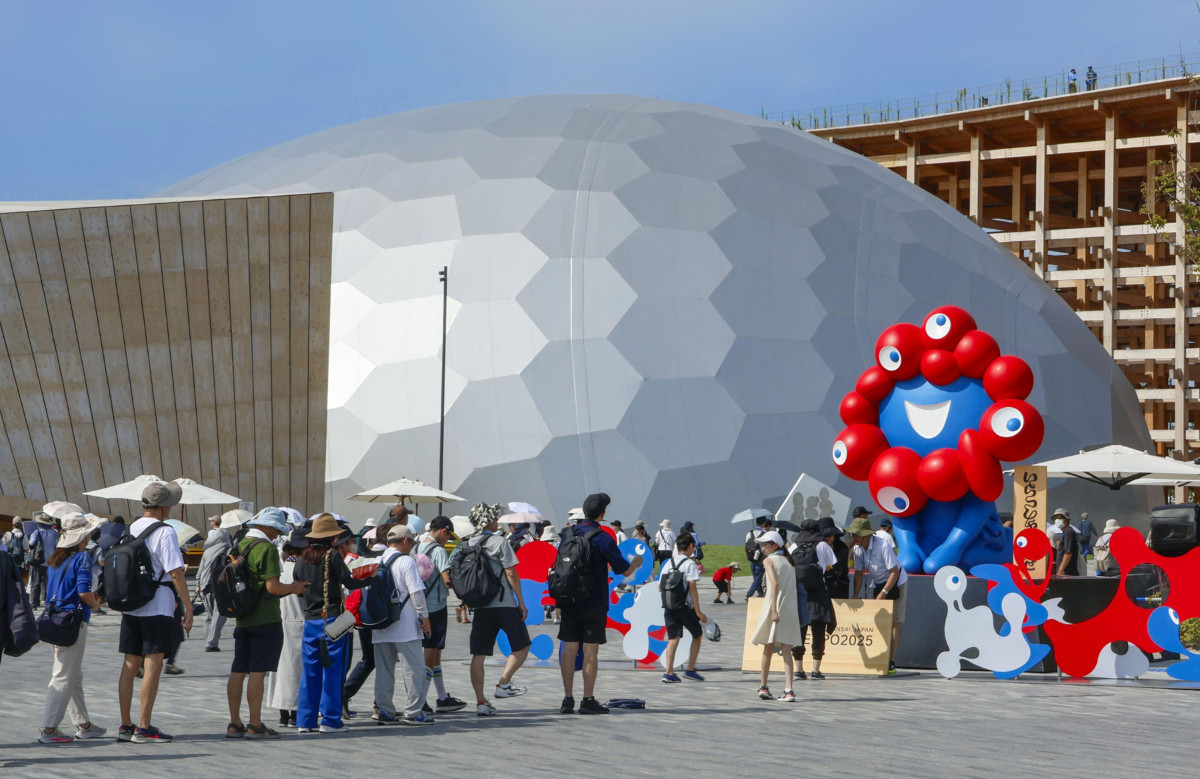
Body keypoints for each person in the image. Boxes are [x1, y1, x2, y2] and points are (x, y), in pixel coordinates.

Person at [117, 482, 193, 744]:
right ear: (163, 507)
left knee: (130, 664)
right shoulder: (165, 532)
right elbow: (176, 572)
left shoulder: (132, 528)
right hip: (158, 604)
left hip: (132, 603)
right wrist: (188, 606)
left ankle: (126, 725)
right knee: (153, 663)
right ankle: (144, 727)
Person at [225, 508, 308, 739]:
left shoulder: (239, 545)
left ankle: (234, 723)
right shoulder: (267, 549)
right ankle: (255, 724)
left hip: (243, 617)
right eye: (277, 530)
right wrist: (294, 587)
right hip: (265, 618)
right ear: (269, 527)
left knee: (238, 670)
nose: (276, 535)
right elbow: (272, 587)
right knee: (257, 673)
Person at [556, 493, 641, 714]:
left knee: (569, 649)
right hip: (593, 601)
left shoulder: (567, 534)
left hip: (568, 599)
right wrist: (637, 563)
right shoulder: (603, 537)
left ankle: (567, 699)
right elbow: (623, 569)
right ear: (603, 514)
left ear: (583, 511)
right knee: (590, 651)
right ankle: (587, 699)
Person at [293, 514, 369, 734]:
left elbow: (299, 587)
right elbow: (350, 581)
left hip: (310, 620)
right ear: (331, 538)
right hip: (334, 618)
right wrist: (371, 577)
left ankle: (305, 721)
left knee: (310, 672)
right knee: (333, 670)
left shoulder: (301, 559)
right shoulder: (331, 557)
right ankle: (330, 720)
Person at [38, 513, 106, 744]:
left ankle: (84, 724)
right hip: (73, 621)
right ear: (82, 536)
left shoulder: (56, 558)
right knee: (64, 676)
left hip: (55, 619)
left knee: (72, 674)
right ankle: (48, 729)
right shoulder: (82, 558)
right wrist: (95, 604)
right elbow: (84, 592)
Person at [464, 503, 531, 716]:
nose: (497, 521)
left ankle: (481, 703)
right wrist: (520, 601)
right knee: (522, 646)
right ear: (487, 521)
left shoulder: (468, 543)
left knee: (479, 654)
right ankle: (503, 684)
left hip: (481, 605)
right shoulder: (500, 542)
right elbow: (511, 573)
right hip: (503, 603)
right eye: (494, 518)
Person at [371, 525, 435, 725]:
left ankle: (385, 711)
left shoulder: (377, 559)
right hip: (406, 625)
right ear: (405, 541)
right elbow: (416, 591)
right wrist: (424, 616)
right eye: (412, 542)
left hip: (380, 623)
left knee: (383, 670)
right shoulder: (406, 561)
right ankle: (414, 711)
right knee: (414, 669)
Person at [416, 516, 467, 715]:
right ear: (444, 531)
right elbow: (447, 579)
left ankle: (442, 697)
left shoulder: (418, 547)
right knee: (431, 652)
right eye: (448, 537)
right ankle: (420, 699)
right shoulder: (437, 550)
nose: (447, 541)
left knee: (435, 653)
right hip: (435, 606)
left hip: (420, 604)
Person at [850, 516, 907, 674]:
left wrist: (884, 593)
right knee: (880, 620)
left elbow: (894, 572)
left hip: (897, 582)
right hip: (878, 582)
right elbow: (859, 574)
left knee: (894, 621)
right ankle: (881, 655)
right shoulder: (858, 549)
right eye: (853, 534)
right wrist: (855, 595)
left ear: (866, 535)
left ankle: (891, 661)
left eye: (856, 534)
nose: (853, 537)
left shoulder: (883, 546)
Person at [750, 531, 802, 701]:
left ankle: (763, 686)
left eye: (766, 544)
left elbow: (774, 583)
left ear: (775, 545)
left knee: (768, 647)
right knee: (787, 649)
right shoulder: (789, 562)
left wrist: (773, 609)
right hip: (789, 609)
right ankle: (789, 689)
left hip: (774, 607)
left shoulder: (768, 560)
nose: (763, 547)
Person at [267, 528, 307, 728]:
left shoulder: (280, 567)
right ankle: (294, 712)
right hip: (300, 621)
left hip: (281, 621)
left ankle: (283, 712)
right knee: (297, 670)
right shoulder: (303, 569)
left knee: (282, 669)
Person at [790, 519, 836, 681]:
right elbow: (832, 563)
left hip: (800, 593)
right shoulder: (822, 545)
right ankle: (816, 670)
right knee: (818, 631)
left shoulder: (794, 546)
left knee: (799, 632)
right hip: (818, 593)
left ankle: (798, 670)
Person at [659, 534, 708, 683]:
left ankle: (669, 673)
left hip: (669, 605)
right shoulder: (690, 564)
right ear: (691, 546)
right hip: (684, 607)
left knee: (673, 638)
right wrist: (698, 611)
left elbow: (660, 587)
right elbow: (692, 587)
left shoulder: (668, 563)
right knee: (697, 634)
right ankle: (690, 670)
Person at [198, 512, 238, 652]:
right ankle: (212, 643)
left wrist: (198, 584)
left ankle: (207, 640)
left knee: (209, 614)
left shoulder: (207, 551)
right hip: (220, 585)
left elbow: (200, 570)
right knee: (219, 614)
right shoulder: (228, 549)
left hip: (205, 585)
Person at [27, 512, 57, 608]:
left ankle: (34, 603)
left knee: (35, 582)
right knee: (48, 583)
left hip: (37, 561)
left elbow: (31, 544)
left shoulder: (37, 532)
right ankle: (47, 601)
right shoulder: (54, 533)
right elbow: (57, 546)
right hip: (50, 562)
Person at [819, 517, 850, 599]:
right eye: (825, 535)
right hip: (822, 586)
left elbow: (841, 569)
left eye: (830, 535)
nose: (828, 538)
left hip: (839, 587)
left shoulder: (842, 547)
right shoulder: (817, 547)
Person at [744, 515, 772, 599]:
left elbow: (747, 544)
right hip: (761, 558)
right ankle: (749, 594)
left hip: (751, 557)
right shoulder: (765, 534)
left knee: (756, 577)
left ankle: (760, 593)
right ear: (764, 523)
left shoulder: (750, 533)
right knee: (759, 577)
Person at [1056, 509, 1080, 577]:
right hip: (1065, 572)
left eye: (1059, 518)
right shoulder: (1065, 532)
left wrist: (1061, 569)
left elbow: (1068, 553)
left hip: (1067, 573)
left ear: (1066, 520)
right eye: (1055, 518)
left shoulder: (1068, 532)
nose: (1056, 520)